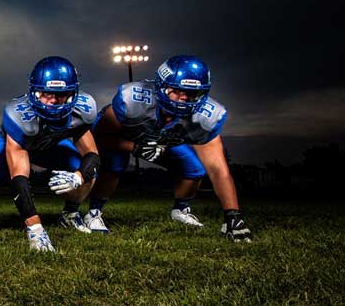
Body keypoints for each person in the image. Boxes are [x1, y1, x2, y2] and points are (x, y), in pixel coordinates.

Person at [89, 55, 252, 242]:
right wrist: (135, 147)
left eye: (192, 93)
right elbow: (101, 137)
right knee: (115, 166)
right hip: (124, 136)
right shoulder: (132, 101)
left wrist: (233, 215)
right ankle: (93, 212)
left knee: (195, 169)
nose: (184, 98)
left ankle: (181, 209)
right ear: (161, 87)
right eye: (177, 90)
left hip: (162, 140)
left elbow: (218, 169)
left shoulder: (206, 117)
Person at [0, 56, 100, 251]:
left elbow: (92, 155)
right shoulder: (17, 115)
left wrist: (78, 176)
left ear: (73, 93)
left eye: (60, 94)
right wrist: (35, 229)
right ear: (34, 91)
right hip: (14, 142)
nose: (52, 101)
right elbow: (19, 178)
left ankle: (70, 213)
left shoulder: (84, 109)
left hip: (48, 144)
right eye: (45, 93)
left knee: (88, 172)